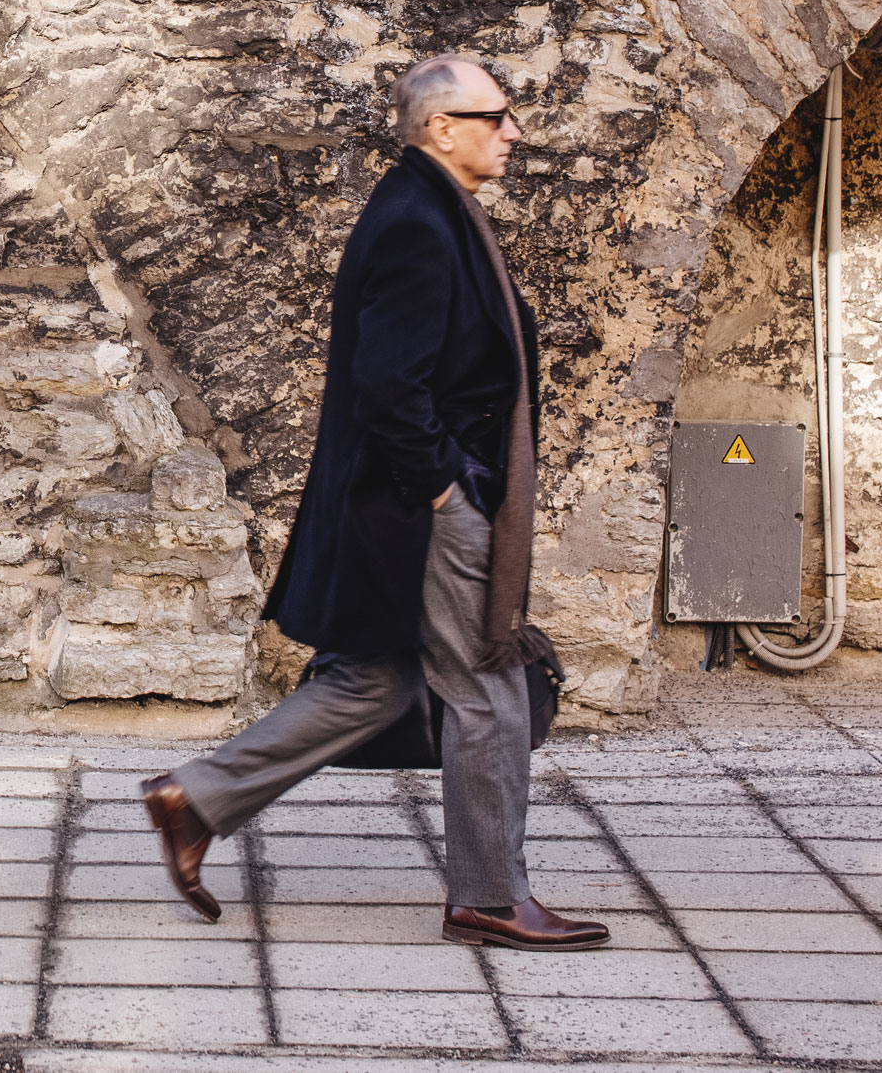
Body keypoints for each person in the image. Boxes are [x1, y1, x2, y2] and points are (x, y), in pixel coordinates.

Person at [141, 54, 609, 952]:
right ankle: (491, 896)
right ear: (442, 127)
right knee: (489, 690)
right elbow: (390, 386)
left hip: (409, 507)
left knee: (375, 681)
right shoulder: (417, 224)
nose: (513, 131)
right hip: (422, 510)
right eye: (496, 116)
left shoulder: (433, 209)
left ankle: (193, 798)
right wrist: (449, 489)